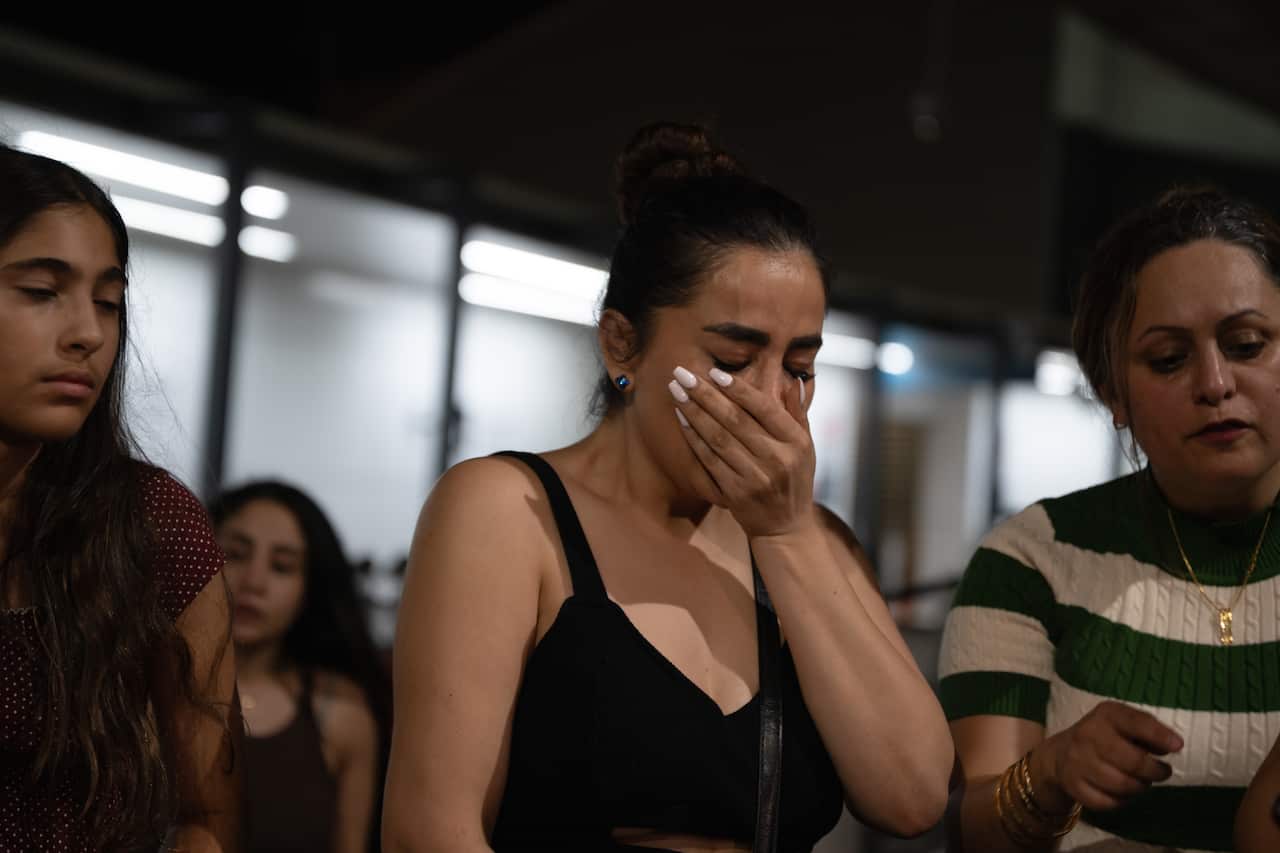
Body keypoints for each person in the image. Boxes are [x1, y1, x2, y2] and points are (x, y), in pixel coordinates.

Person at [382, 122, 953, 853]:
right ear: (623, 343)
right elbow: (430, 828)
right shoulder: (507, 510)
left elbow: (912, 795)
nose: (770, 401)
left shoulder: (814, 542)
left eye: (800, 369)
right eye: (732, 358)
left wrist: (787, 534)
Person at [940, 186, 1280, 851]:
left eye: (1246, 344)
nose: (1215, 383)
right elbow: (972, 827)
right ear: (1111, 391)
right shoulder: (1032, 560)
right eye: (1169, 359)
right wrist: (1053, 769)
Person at [0, 142, 238, 850]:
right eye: (42, 292)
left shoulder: (152, 523)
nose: (89, 334)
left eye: (109, 301)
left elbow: (209, 818)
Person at [209, 480, 389, 853]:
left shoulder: (340, 715)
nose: (253, 583)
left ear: (310, 589)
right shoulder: (141, 689)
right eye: (236, 554)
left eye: (282, 566)